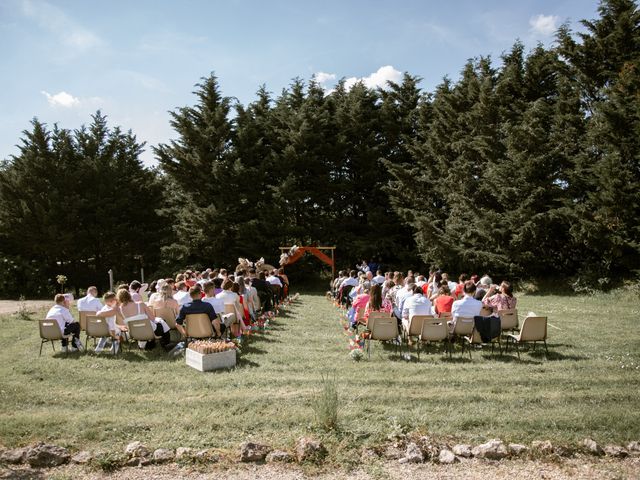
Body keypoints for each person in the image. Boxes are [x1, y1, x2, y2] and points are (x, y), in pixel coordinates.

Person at [98, 289, 170, 350]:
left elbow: (122, 324)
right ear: (129, 296)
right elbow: (153, 318)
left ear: (119, 298)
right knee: (162, 322)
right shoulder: (141, 304)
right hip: (149, 331)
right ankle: (166, 344)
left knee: (157, 323)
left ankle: (150, 342)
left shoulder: (119, 310)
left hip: (134, 333)